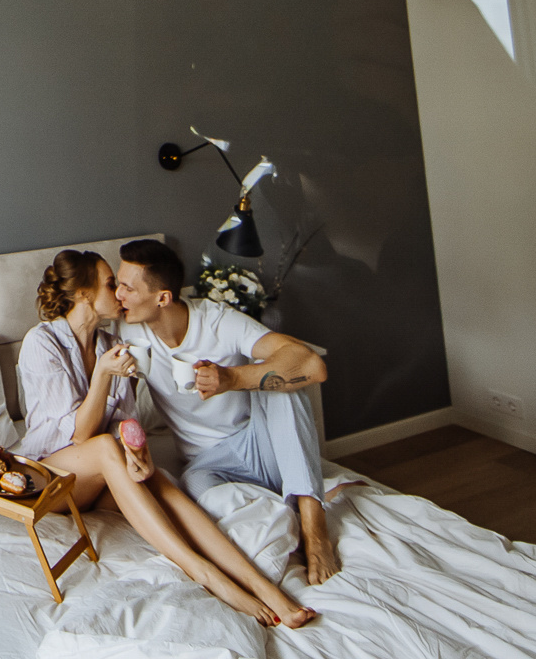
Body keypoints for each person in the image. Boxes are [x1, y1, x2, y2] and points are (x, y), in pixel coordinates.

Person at [17, 250, 314, 629]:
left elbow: (124, 423)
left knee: (162, 483)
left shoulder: (112, 343)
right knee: (105, 448)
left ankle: (262, 586)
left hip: (95, 478)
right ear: (84, 294)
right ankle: (208, 575)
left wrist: (138, 453)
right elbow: (80, 435)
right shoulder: (42, 342)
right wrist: (102, 375)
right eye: (111, 284)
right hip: (50, 478)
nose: (119, 293)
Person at [112, 238, 343, 585]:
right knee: (191, 490)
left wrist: (232, 378)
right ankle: (279, 512)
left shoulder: (217, 320)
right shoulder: (127, 329)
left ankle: (315, 529)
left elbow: (312, 366)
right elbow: (123, 406)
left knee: (283, 384)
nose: (118, 295)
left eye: (128, 288)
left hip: (259, 444)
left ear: (163, 298)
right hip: (207, 466)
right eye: (117, 284)